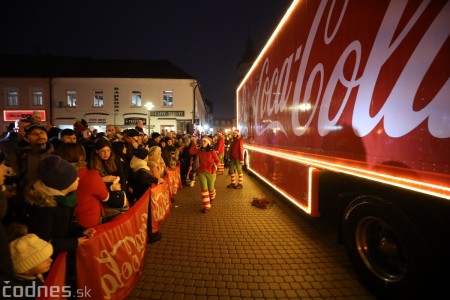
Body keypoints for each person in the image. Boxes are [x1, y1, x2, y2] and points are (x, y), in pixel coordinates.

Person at [25, 155, 95, 296]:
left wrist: (82, 230)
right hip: (50, 263)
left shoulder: (65, 199)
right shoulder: (46, 208)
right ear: (63, 184)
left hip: (63, 255)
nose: (79, 179)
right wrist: (74, 242)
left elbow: (68, 223)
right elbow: (42, 242)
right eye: (74, 178)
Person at [55, 143, 110, 227]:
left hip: (61, 224)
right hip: (87, 223)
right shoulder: (90, 176)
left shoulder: (53, 176)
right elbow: (105, 197)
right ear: (82, 156)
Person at [129, 147, 163, 242]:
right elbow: (143, 179)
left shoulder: (135, 163)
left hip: (141, 195)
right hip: (143, 195)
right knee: (147, 215)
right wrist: (156, 180)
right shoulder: (141, 167)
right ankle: (150, 235)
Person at [189, 136, 221, 213]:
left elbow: (218, 161)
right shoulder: (199, 151)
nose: (202, 143)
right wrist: (194, 142)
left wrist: (216, 166)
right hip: (201, 172)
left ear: (208, 143)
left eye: (204, 141)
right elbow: (191, 151)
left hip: (211, 172)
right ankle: (206, 206)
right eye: (202, 141)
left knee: (210, 188)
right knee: (204, 189)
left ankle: (212, 194)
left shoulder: (212, 151)